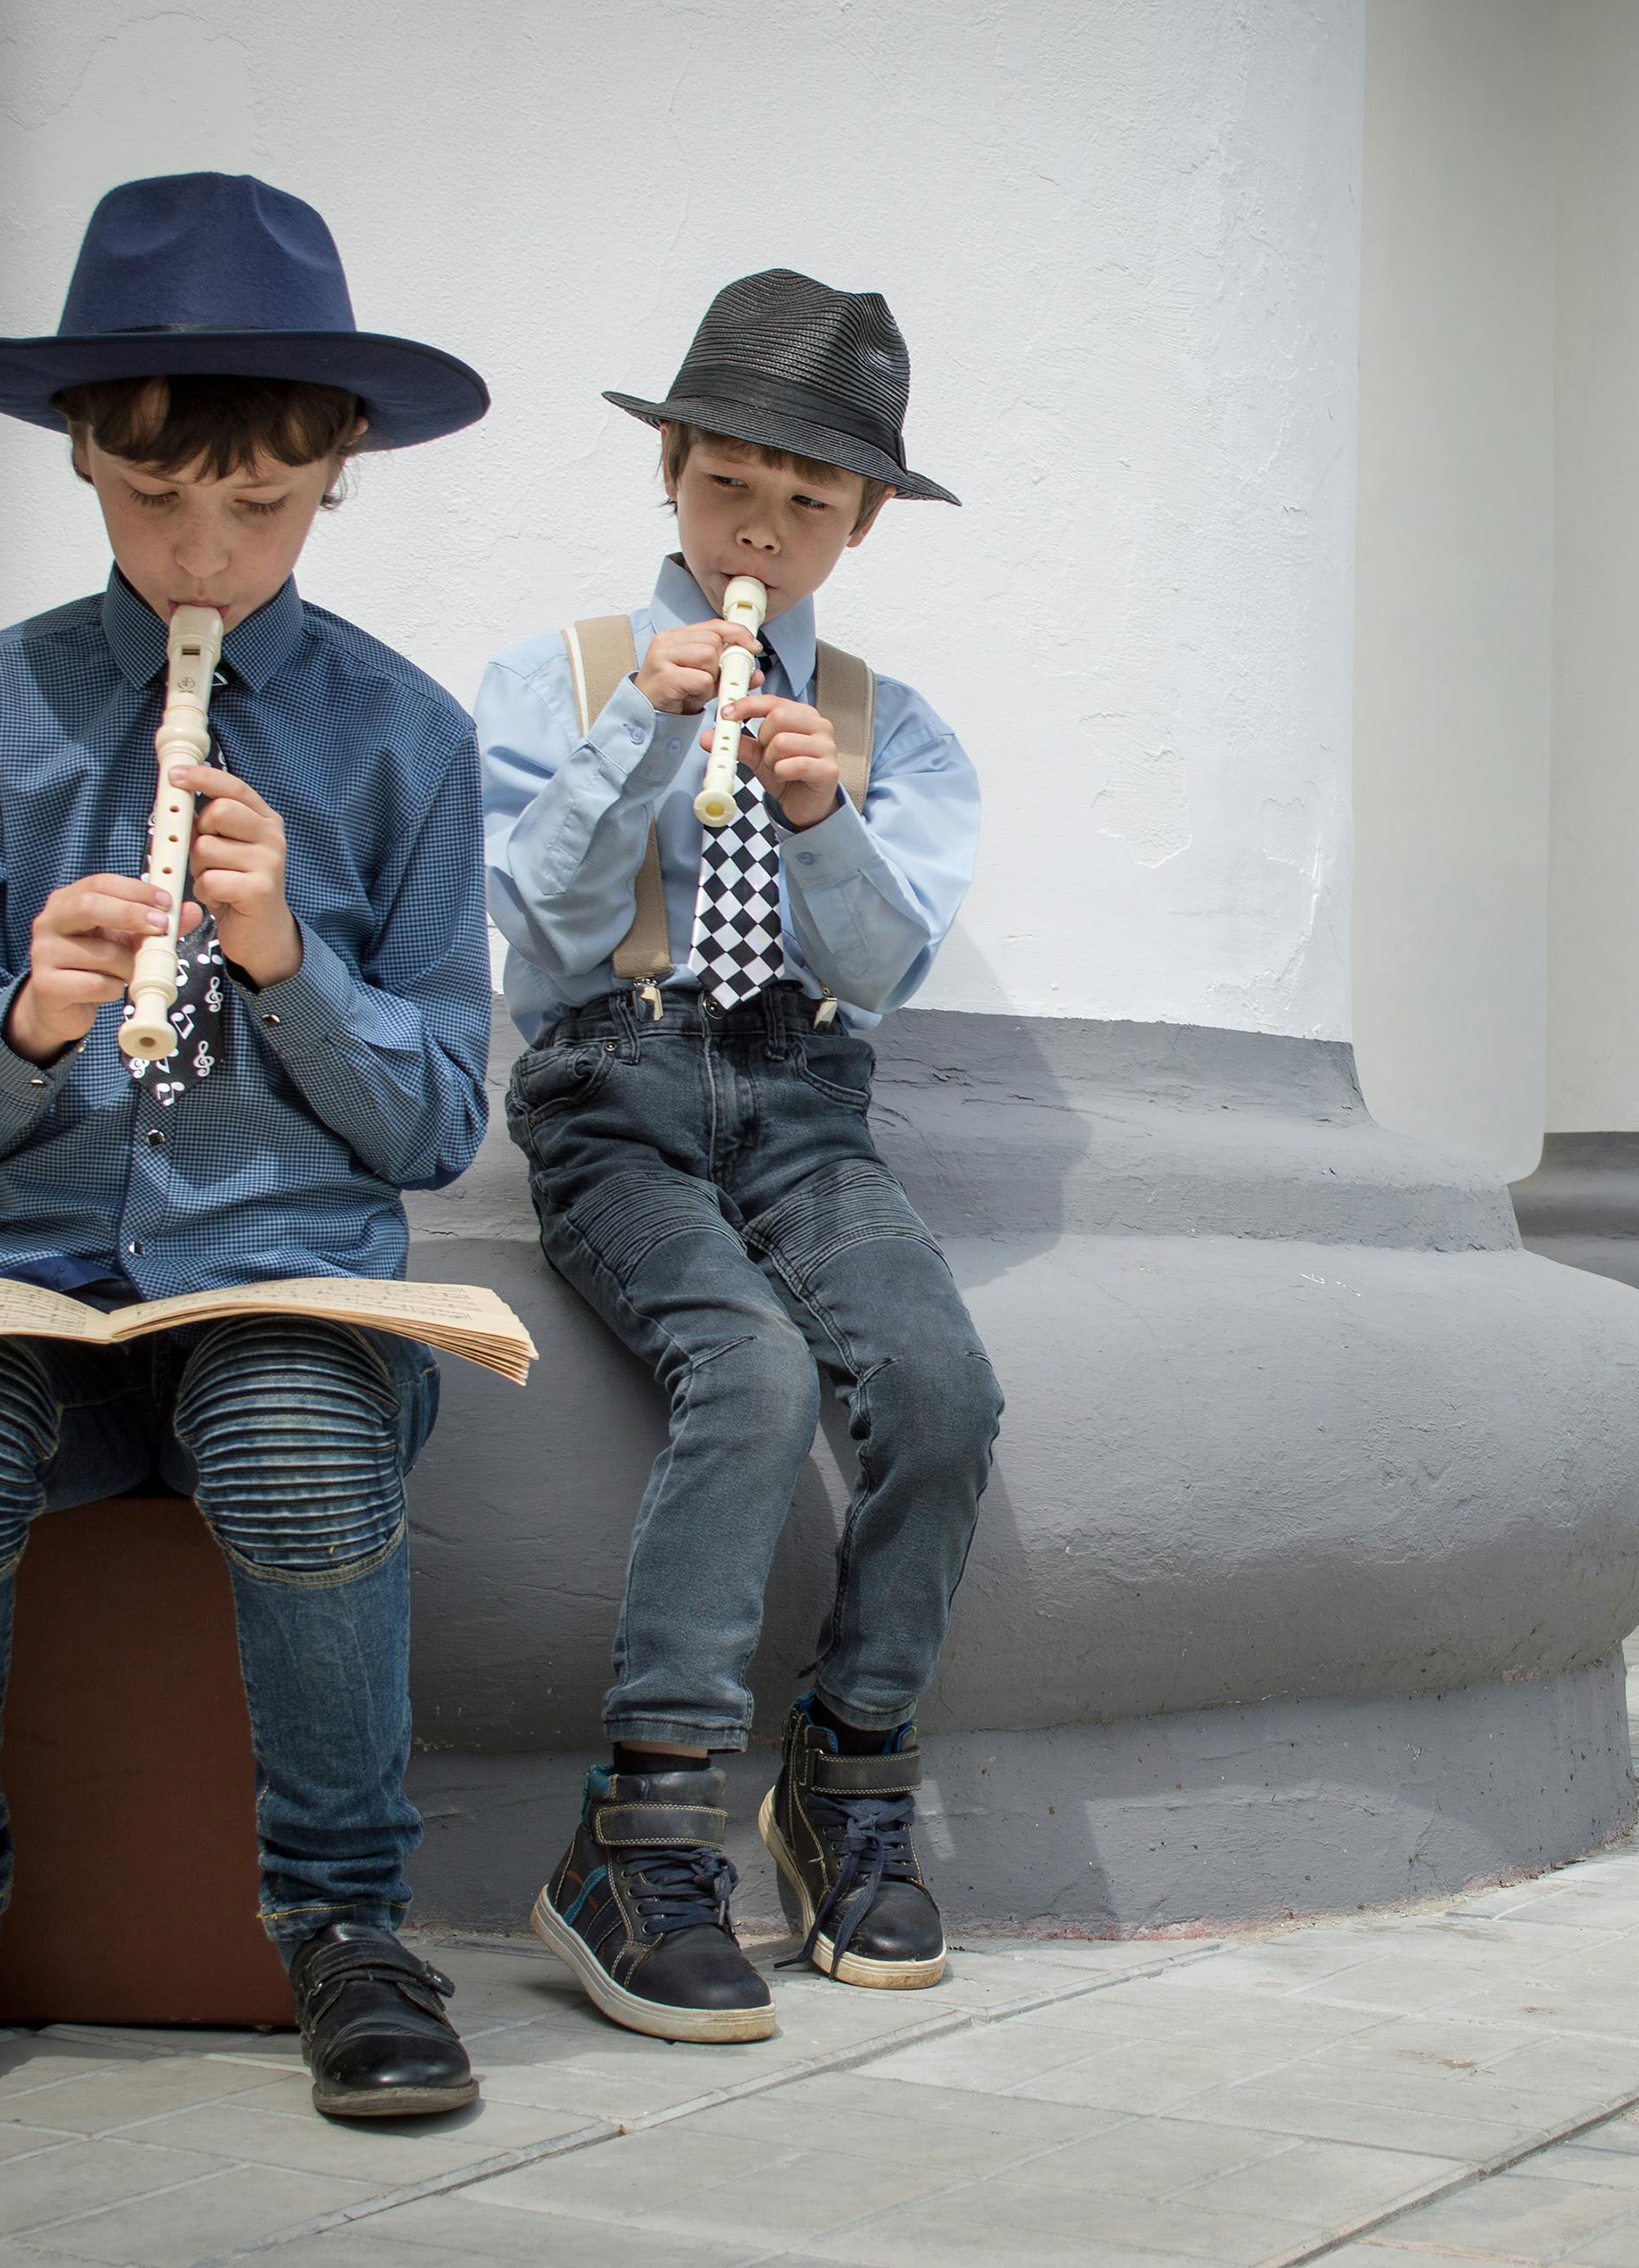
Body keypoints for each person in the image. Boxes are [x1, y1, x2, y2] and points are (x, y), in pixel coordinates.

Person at [0, 173, 494, 2119]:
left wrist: (292, 967)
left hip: (291, 1294)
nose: (201, 552)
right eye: (148, 497)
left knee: (287, 1425)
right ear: (80, 452)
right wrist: (27, 1012)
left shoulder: (402, 740)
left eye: (258, 509)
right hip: (32, 1278)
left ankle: (350, 1925)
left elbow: (438, 1119)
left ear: (337, 466)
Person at [480, 270, 999, 2043]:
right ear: (673, 477)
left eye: (805, 500)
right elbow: (537, 944)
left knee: (938, 1385)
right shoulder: (554, 679)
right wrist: (643, 725)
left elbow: (875, 969)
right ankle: (642, 1824)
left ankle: (849, 1775)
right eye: (726, 487)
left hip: (800, 1094)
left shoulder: (883, 722)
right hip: (614, 1091)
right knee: (754, 1366)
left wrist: (813, 807)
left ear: (855, 526)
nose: (756, 528)